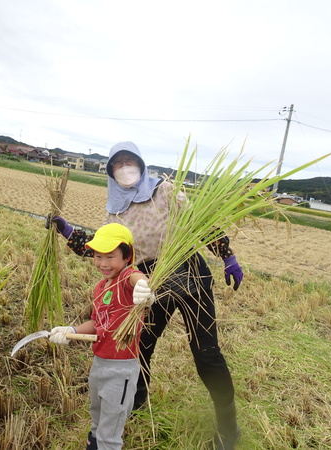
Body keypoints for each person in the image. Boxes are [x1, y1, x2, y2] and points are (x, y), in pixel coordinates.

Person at [48, 141, 244, 449]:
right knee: (139, 346)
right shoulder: (114, 212)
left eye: (130, 161)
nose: (125, 168)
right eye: (118, 163)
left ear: (140, 163)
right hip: (148, 285)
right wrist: (70, 232)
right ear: (111, 171)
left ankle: (228, 428)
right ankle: (133, 403)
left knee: (207, 355)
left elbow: (200, 223)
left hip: (188, 272)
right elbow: (108, 251)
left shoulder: (165, 192)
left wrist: (227, 256)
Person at [49, 222, 155, 450]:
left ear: (127, 256)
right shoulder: (100, 287)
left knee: (111, 430)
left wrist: (144, 289)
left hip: (122, 370)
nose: (103, 264)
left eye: (110, 257)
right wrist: (72, 331)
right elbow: (98, 323)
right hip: (100, 364)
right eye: (98, 256)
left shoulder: (128, 278)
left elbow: (139, 279)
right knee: (97, 416)